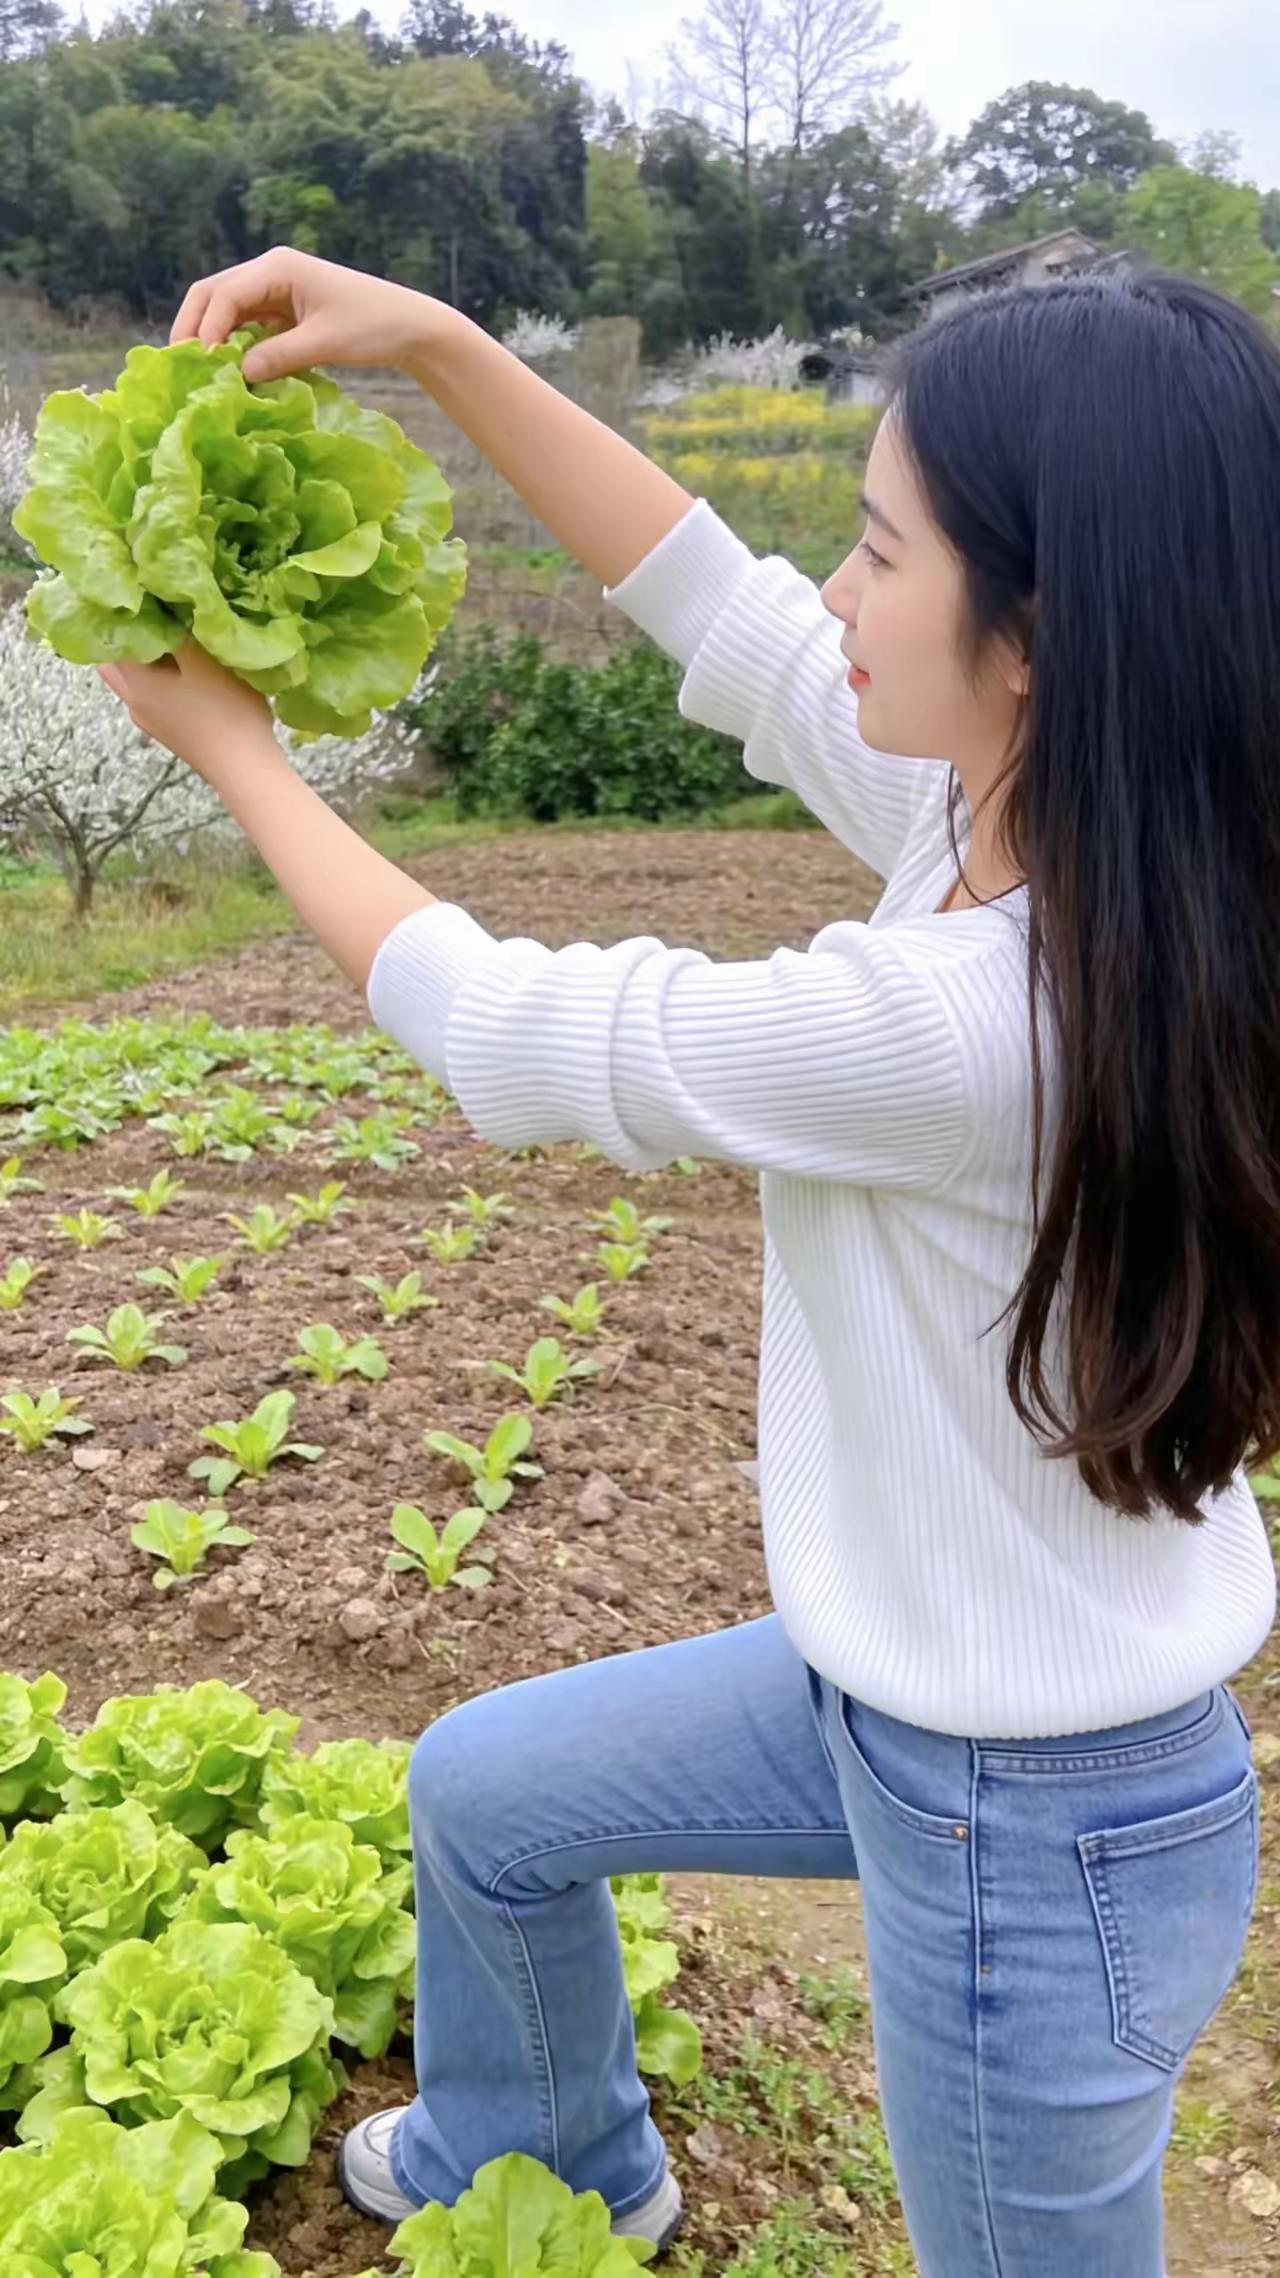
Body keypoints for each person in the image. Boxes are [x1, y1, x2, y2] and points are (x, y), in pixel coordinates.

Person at [97, 248, 1279, 2278]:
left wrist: (241, 758)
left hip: (1034, 1822)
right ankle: (545, 2141)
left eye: (880, 550)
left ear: (1032, 637)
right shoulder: (1026, 819)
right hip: (891, 1689)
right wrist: (443, 346)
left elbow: (514, 1029)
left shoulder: (973, 1018)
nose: (834, 589)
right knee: (489, 1794)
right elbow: (722, 607)